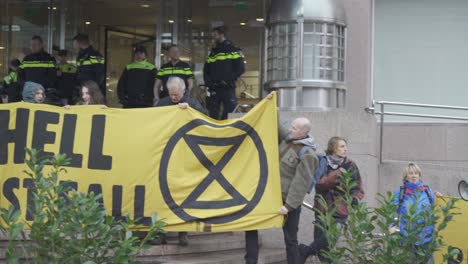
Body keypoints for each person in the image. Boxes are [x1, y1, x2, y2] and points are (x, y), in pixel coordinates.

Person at [244, 93, 319, 264]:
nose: (290, 129)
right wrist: (272, 105)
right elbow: (278, 126)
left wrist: (288, 206)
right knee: (251, 226)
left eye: (294, 128)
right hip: (269, 194)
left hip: (287, 202)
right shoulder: (289, 139)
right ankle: (250, 261)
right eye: (291, 126)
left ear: (303, 133)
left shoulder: (308, 154)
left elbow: (301, 183)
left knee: (290, 239)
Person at [298, 136, 364, 264]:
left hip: (341, 209)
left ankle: (305, 250)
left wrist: (355, 198)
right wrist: (339, 172)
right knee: (323, 244)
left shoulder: (350, 164)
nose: (346, 149)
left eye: (346, 146)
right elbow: (319, 183)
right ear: (333, 148)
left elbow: (358, 185)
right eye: (342, 146)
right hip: (323, 208)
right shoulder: (322, 162)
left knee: (330, 239)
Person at [389, 163, 436, 264]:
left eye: (416, 173)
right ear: (406, 176)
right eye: (410, 173)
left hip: (426, 236)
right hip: (407, 236)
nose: (414, 176)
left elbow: (433, 209)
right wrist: (391, 226)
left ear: (420, 175)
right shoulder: (400, 193)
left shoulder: (427, 191)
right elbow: (392, 211)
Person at [203, 26, 245, 120]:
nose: (213, 37)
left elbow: (240, 68)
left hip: (228, 87)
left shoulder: (233, 49)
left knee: (231, 113)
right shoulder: (213, 53)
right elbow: (206, 70)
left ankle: (229, 132)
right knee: (213, 114)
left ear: (222, 34)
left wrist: (228, 80)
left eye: (215, 35)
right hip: (214, 88)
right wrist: (209, 84)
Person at [17, 35, 58, 105]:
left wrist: (40, 88)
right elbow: (20, 76)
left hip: (43, 95)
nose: (33, 47)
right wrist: (27, 87)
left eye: (35, 44)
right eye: (32, 44)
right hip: (28, 95)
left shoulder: (48, 59)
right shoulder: (26, 59)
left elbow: (52, 77)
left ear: (41, 45)